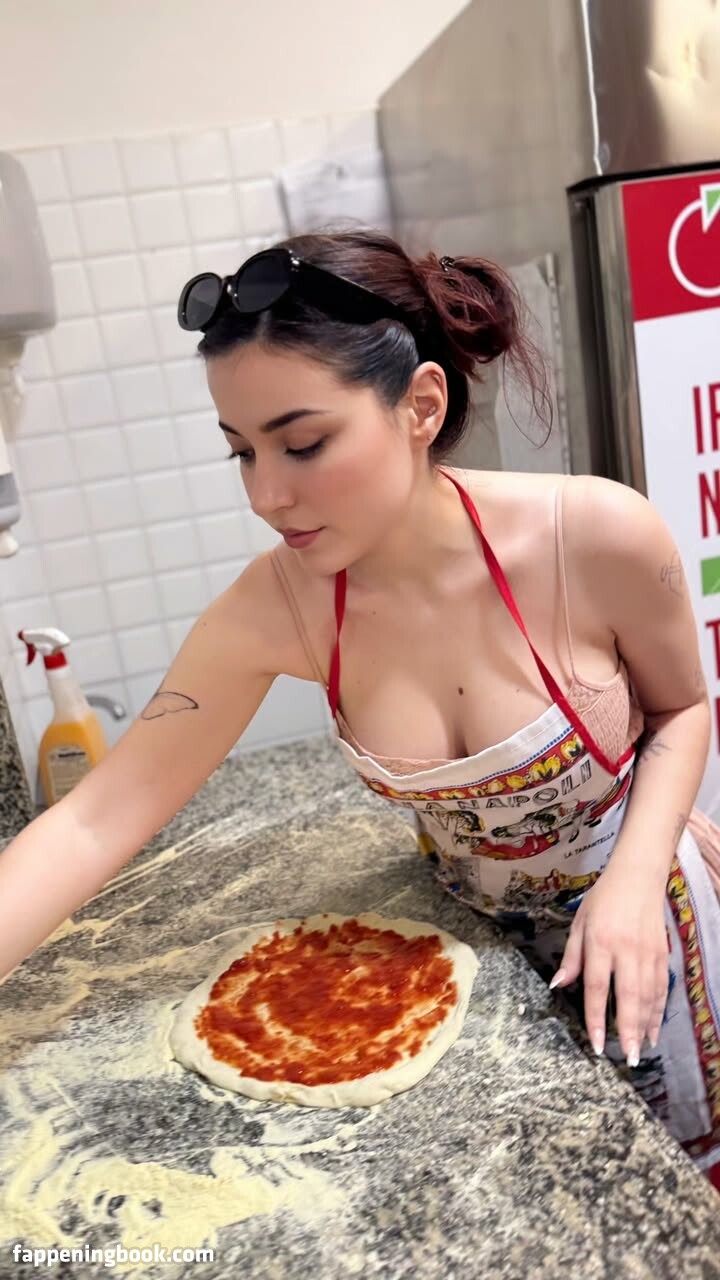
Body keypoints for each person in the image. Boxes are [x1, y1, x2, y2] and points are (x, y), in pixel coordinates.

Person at [1, 228, 719, 1187]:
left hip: (648, 920)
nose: (267, 495)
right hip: (465, 964)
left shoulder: (590, 535)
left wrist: (629, 882)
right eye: (241, 453)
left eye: (303, 444)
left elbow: (682, 712)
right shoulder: (279, 607)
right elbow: (95, 819)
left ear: (421, 405)